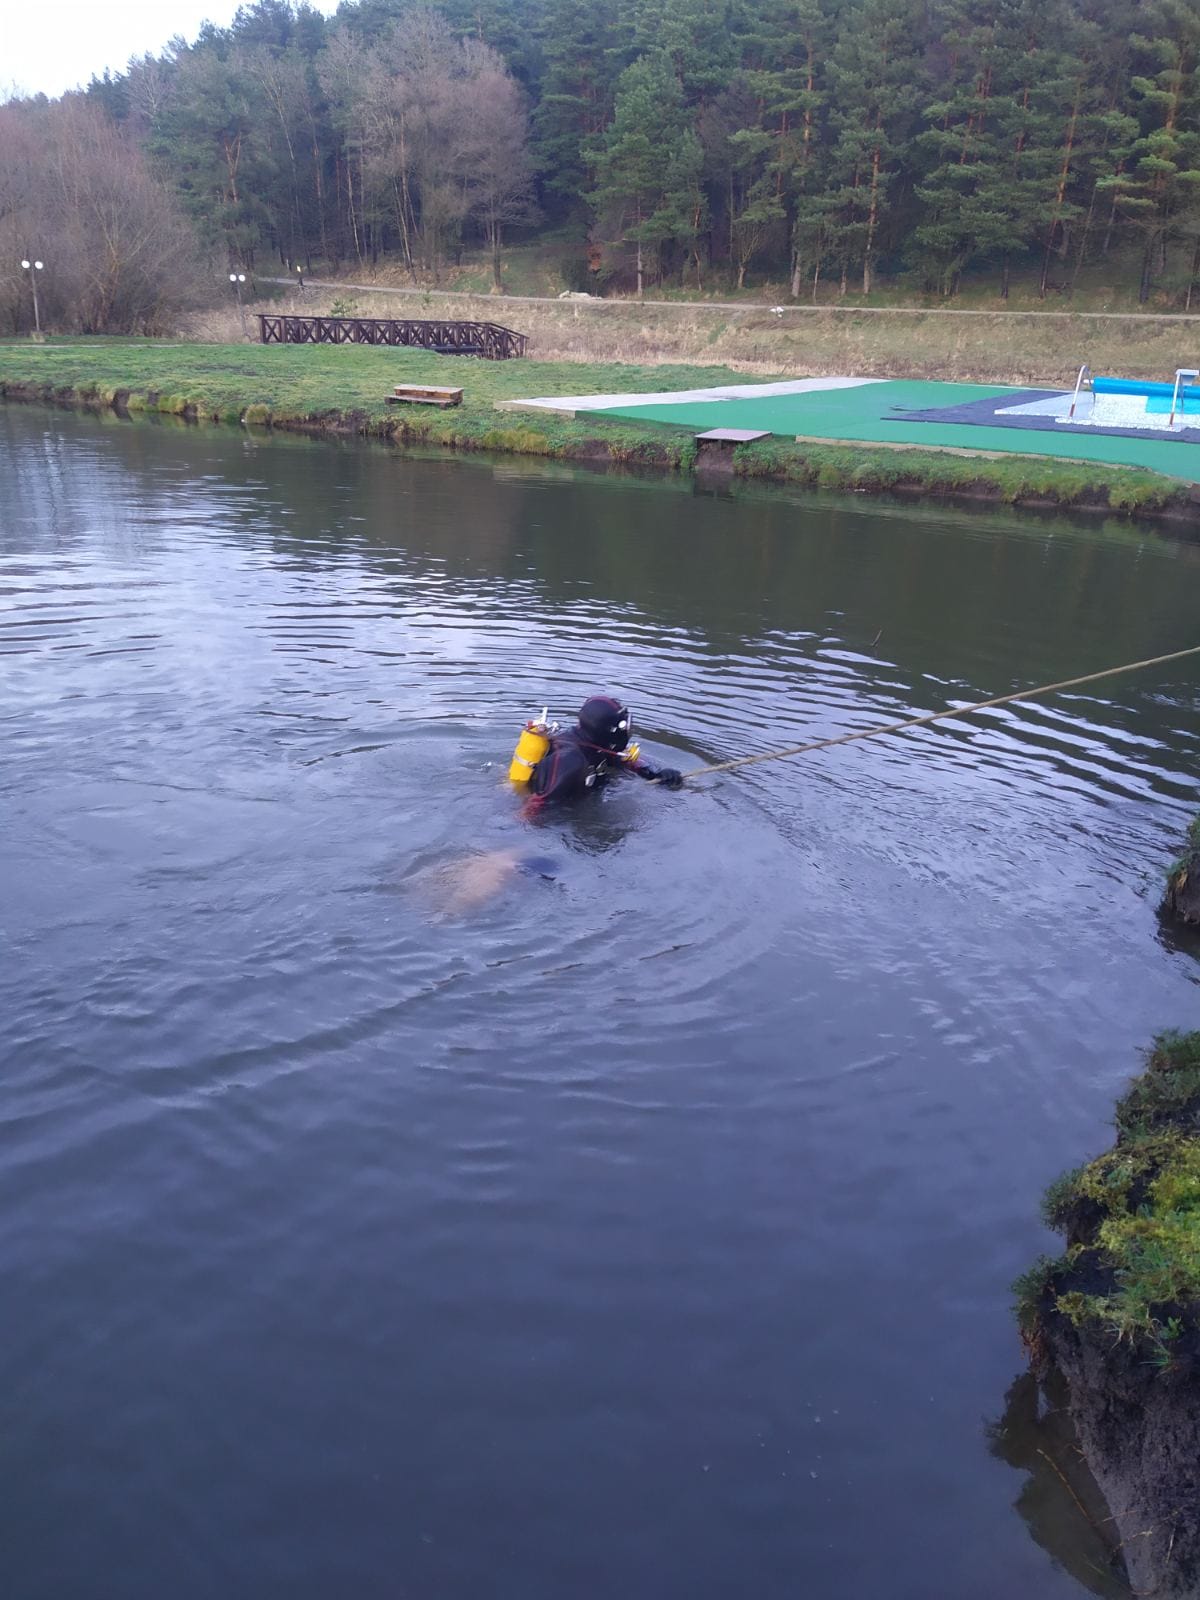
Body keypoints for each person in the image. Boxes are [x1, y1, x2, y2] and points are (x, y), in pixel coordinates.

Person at [528, 695, 683, 806]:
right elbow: (536, 805)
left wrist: (656, 774)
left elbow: (626, 761)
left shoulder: (598, 744)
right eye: (622, 727)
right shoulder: (569, 759)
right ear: (607, 730)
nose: (626, 732)